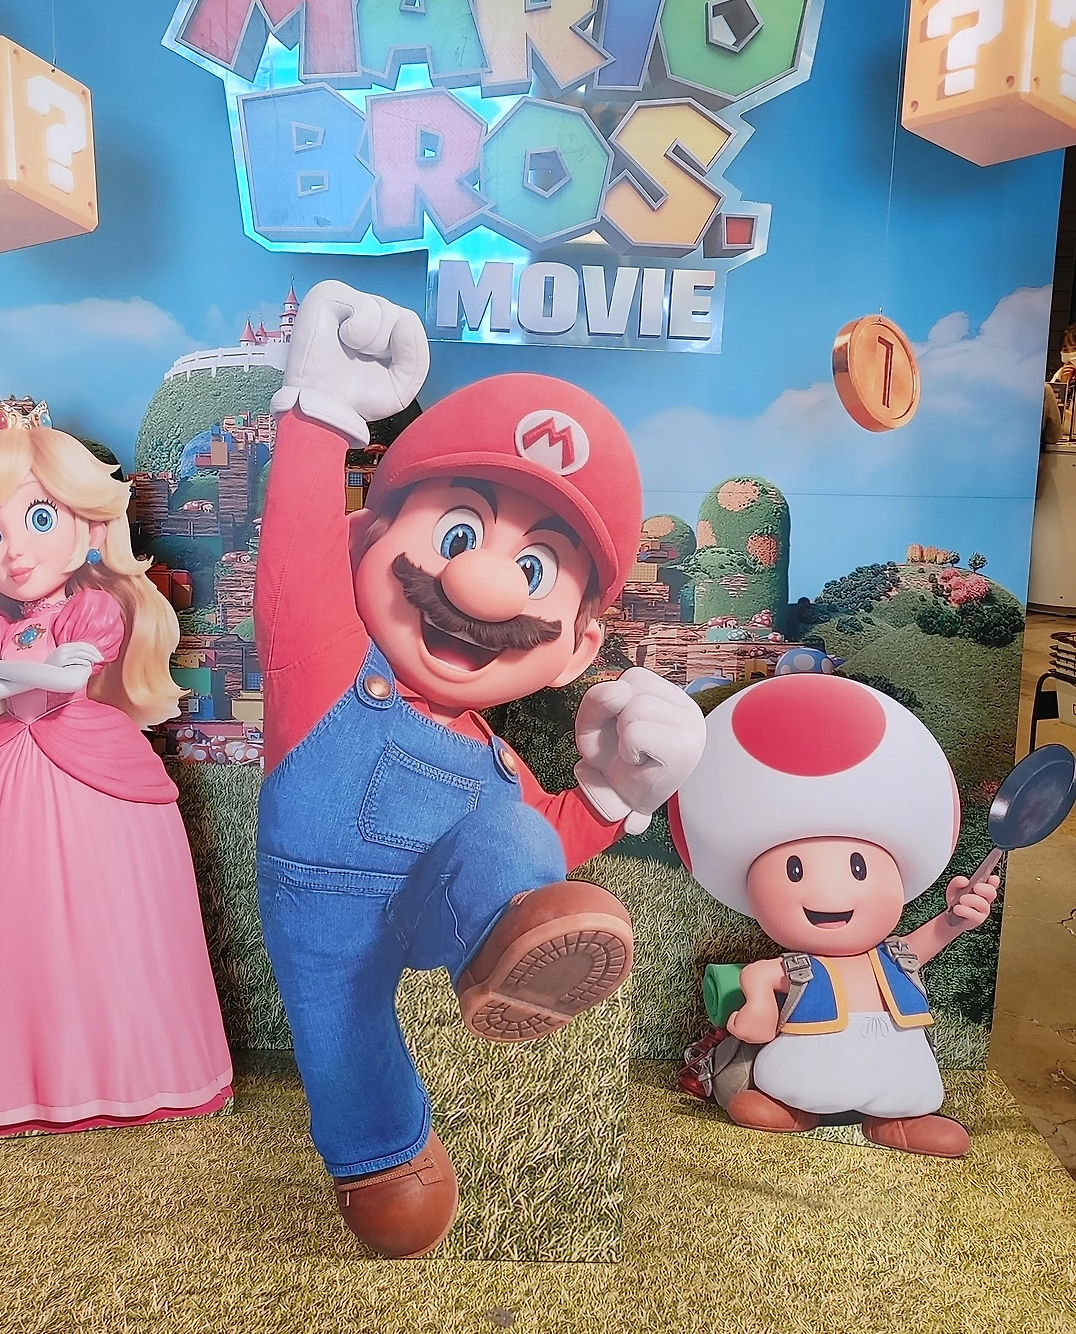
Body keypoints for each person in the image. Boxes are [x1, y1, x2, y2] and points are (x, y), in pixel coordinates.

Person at [256, 280, 705, 1256]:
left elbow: (549, 834)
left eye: (535, 567)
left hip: (445, 901)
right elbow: (288, 564)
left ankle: (502, 950)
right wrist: (318, 406)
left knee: (512, 831)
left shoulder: (492, 761)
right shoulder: (327, 667)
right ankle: (383, 1159)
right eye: (458, 533)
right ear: (364, 542)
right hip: (321, 906)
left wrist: (614, 790)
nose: (485, 584)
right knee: (340, 1029)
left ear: (579, 646)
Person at [0, 401, 233, 1135]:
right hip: (2, 769)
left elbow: (66, 679)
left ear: (88, 528)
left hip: (91, 762)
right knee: (4, 922)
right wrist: (28, 670)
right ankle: (10, 1081)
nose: (13, 552)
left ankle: (118, 1072)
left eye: (38, 519)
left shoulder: (93, 612)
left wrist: (14, 673)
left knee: (107, 916)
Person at [671, 672, 998, 1157]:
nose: (829, 893)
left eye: (858, 868)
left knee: (909, 1095)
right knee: (786, 1087)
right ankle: (795, 1109)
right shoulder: (797, 966)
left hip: (896, 1073)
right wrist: (758, 1007)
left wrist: (955, 917)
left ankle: (895, 1120)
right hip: (802, 1075)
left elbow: (929, 940)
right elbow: (759, 975)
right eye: (795, 870)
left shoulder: (893, 957)